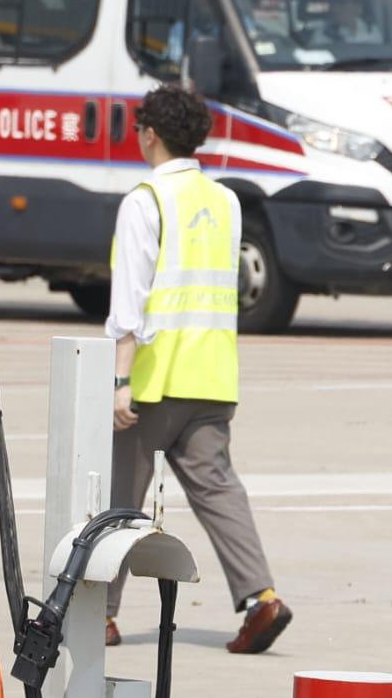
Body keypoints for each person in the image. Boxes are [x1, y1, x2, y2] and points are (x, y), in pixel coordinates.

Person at [106, 83, 293, 656]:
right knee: (218, 490)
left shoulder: (145, 201)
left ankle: (100, 615)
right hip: (212, 375)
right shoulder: (226, 201)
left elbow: (131, 299)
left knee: (120, 499)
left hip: (155, 379)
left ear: (150, 135)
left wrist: (120, 380)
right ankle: (261, 598)